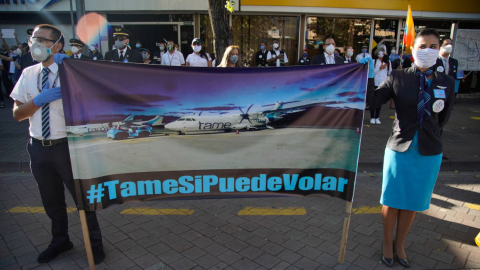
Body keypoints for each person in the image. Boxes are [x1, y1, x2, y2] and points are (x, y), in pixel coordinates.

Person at [10, 24, 105, 265]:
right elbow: (18, 114)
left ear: (57, 46)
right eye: (34, 39)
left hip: (68, 147)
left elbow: (99, 93)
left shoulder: (72, 72)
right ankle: (60, 240)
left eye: (43, 40)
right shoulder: (28, 74)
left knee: (82, 198)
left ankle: (95, 245)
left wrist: (73, 66)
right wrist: (38, 101)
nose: (36, 44)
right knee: (51, 200)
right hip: (39, 147)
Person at [366, 28, 454, 268]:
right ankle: (386, 242)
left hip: (428, 152)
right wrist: (356, 79)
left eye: (433, 46)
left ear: (440, 50)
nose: (428, 50)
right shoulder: (398, 76)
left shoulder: (447, 82)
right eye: (423, 46)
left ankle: (399, 243)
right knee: (392, 199)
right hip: (399, 149)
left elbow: (443, 119)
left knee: (413, 201)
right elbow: (373, 100)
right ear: (413, 49)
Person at [370, 48, 392, 125]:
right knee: (373, 100)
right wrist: (380, 68)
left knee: (380, 101)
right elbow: (372, 73)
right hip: (375, 83)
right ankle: (372, 117)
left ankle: (377, 117)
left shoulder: (388, 62)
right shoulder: (374, 61)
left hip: (383, 84)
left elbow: (389, 73)